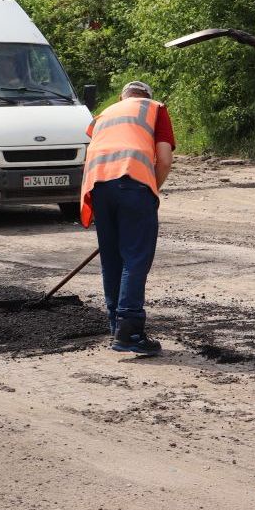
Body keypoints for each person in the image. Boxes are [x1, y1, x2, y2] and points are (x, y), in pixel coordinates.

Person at [79, 80, 176, 356]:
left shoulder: (104, 115)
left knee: (112, 259)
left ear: (123, 97)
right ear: (147, 96)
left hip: (98, 187)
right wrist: (150, 190)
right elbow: (165, 160)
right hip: (132, 183)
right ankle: (130, 329)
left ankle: (116, 327)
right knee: (135, 258)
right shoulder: (155, 109)